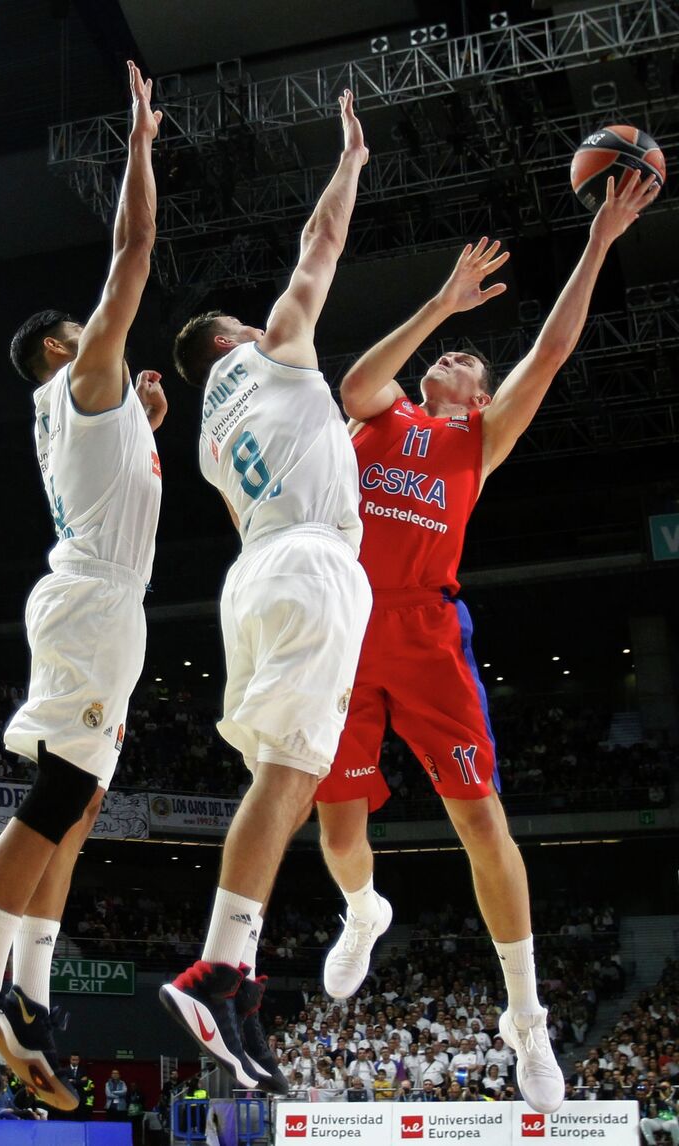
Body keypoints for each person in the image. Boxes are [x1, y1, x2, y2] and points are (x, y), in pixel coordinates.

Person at [314, 169, 660, 1116]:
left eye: (470, 355)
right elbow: (353, 379)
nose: (459, 355)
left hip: (425, 632)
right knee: (339, 827)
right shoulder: (382, 415)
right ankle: (361, 910)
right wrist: (441, 302)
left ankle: (527, 1018)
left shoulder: (479, 439)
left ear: (478, 394)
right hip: (344, 626)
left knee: (481, 822)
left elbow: (550, 352)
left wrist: (598, 244)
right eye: (453, 349)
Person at [0, 60, 166, 1111]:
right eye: (91, 330)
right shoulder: (80, 375)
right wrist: (142, 148)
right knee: (61, 796)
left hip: (104, 598)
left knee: (86, 805)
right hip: (89, 600)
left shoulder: (82, 407)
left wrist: (148, 421)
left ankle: (27, 1002)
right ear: (67, 347)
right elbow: (135, 249)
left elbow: (110, 477)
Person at [161, 90, 372, 1094]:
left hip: (256, 577)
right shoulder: (276, 349)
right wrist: (352, 163)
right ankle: (219, 965)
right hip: (308, 567)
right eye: (247, 323)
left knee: (281, 786)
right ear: (231, 340)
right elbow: (319, 244)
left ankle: (235, 973)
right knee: (288, 777)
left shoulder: (208, 433)